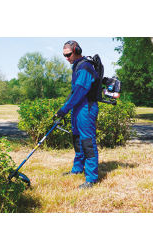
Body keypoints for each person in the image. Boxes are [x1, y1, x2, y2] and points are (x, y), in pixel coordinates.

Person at [55, 40, 99, 189]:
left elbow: (80, 91)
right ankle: (77, 169)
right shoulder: (77, 67)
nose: (66, 58)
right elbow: (74, 91)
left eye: (68, 54)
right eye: (64, 55)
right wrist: (65, 107)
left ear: (76, 50)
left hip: (86, 107)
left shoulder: (85, 66)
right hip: (78, 108)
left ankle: (91, 178)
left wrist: (64, 109)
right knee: (77, 140)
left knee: (87, 141)